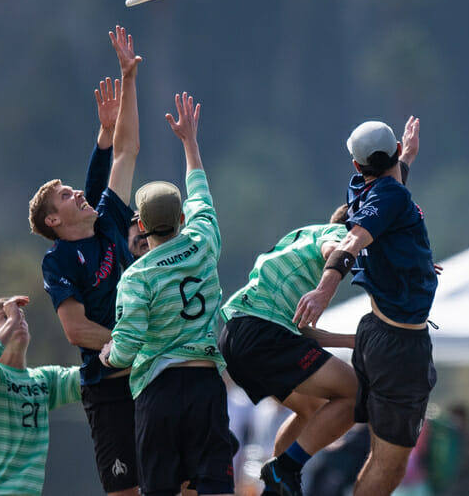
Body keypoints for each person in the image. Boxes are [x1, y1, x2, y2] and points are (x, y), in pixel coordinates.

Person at [293, 116, 438, 496]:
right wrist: (325, 290)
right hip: (400, 346)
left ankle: (291, 461)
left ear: (358, 166)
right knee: (389, 463)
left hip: (377, 331)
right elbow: (352, 243)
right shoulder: (392, 195)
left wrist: (412, 258)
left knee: (378, 452)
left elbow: (388, 201)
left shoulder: (361, 187)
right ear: (391, 154)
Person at [99, 92, 235, 496]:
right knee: (213, 486)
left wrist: (111, 355)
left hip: (157, 393)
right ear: (180, 219)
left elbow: (128, 345)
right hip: (206, 386)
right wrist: (190, 144)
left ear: (139, 225)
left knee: (159, 489)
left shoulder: (137, 278)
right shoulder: (204, 241)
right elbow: (202, 198)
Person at [28, 25, 142, 496]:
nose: (77, 192)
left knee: (179, 483)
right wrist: (136, 343)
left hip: (147, 377)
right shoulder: (57, 262)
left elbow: (127, 149)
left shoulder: (110, 218)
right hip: (109, 385)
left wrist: (129, 78)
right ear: (54, 220)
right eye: (65, 195)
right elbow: (77, 332)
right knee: (124, 492)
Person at [217, 209, 359, 496]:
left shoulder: (303, 237)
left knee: (312, 408)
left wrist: (349, 341)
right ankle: (284, 469)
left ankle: (275, 488)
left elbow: (299, 333)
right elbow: (337, 250)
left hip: (237, 335)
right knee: (357, 394)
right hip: (261, 334)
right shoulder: (341, 236)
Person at [0, 295, 81, 496]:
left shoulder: (44, 380)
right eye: (6, 318)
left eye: (21, 317)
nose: (18, 321)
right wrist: (13, 322)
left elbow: (92, 378)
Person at [83, 76, 148, 260]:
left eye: (145, 228)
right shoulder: (118, 264)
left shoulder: (174, 264)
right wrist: (107, 133)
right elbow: (97, 201)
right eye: (136, 223)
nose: (143, 236)